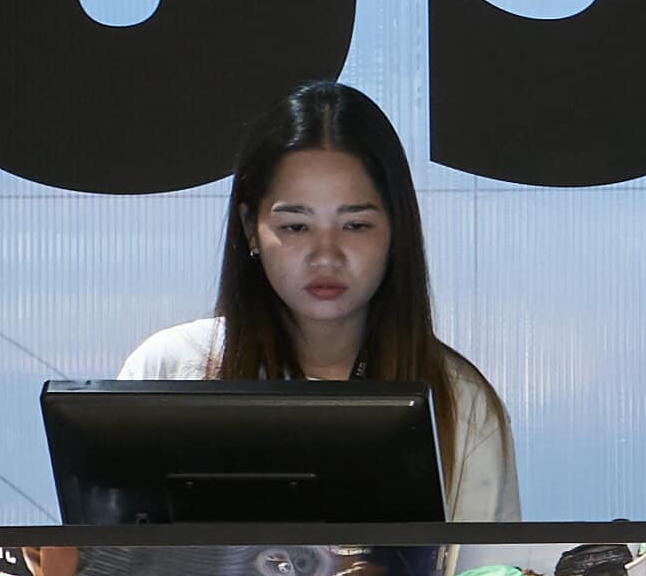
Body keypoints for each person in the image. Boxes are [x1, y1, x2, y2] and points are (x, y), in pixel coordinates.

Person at [115, 79, 522, 515]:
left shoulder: (457, 400)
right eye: (295, 227)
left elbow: (485, 562)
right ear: (251, 229)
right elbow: (110, 553)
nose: (326, 255)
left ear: (395, 230)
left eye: (355, 226)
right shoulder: (171, 372)